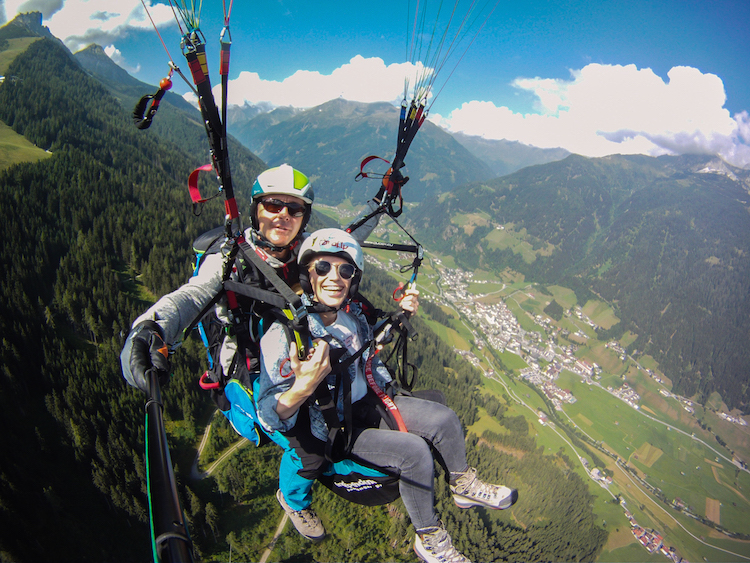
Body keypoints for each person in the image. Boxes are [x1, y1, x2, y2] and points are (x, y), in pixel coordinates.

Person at [256, 228, 518, 563]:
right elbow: (268, 415)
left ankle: (463, 485)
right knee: (414, 452)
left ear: (354, 279)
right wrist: (301, 389)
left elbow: (367, 353)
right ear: (307, 274)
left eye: (345, 270)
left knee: (445, 419)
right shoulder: (289, 335)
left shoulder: (352, 316)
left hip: (369, 402)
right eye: (323, 268)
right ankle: (429, 537)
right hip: (337, 428)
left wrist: (401, 317)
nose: (334, 278)